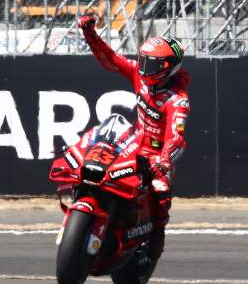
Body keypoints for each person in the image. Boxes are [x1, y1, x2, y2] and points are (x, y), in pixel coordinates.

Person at [77, 15, 190, 264]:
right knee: (95, 155)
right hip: (133, 144)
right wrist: (90, 35)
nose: (143, 67)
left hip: (156, 157)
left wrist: (165, 161)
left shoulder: (177, 100)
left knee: (161, 192)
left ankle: (154, 246)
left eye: (151, 64)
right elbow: (111, 60)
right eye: (143, 61)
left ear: (168, 68)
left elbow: (177, 137)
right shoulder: (140, 76)